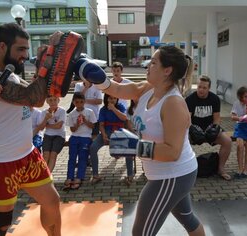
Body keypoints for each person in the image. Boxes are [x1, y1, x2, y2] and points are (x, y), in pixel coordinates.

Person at [74, 45, 205, 235]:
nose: (147, 66)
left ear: (167, 71)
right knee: (188, 219)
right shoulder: (147, 89)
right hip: (170, 173)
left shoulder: (173, 104)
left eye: (153, 63)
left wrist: (136, 147)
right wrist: (100, 80)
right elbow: (117, 88)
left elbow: (172, 152)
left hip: (172, 175)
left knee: (140, 233)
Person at [0, 23, 64, 236]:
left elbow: (36, 98)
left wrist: (47, 58)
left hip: (27, 155)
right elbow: (34, 97)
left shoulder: (10, 74)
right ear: (2, 46)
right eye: (20, 49)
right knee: (2, 223)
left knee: (52, 202)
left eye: (27, 50)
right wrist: (46, 60)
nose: (25, 55)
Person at [185, 75, 232, 181]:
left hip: (209, 130)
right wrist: (192, 129)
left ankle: (220, 169)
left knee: (227, 141)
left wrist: (215, 128)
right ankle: (185, 170)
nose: (201, 90)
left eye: (204, 88)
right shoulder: (190, 99)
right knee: (181, 141)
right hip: (194, 130)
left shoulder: (214, 99)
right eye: (199, 87)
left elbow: (216, 119)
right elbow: (187, 120)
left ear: (209, 88)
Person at [89, 93, 134, 185]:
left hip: (120, 133)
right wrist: (104, 135)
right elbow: (101, 125)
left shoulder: (120, 107)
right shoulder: (103, 110)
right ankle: (95, 175)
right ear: (106, 99)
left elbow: (124, 118)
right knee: (93, 148)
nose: (113, 100)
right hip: (107, 132)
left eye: (115, 98)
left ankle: (130, 175)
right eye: (110, 98)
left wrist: (113, 109)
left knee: (129, 149)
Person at [64, 92, 96, 190]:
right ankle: (70, 177)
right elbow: (72, 130)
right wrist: (77, 124)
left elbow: (93, 126)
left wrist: (85, 121)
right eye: (77, 102)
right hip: (75, 137)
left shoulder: (89, 112)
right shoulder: (71, 114)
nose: (79, 104)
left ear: (84, 102)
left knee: (83, 158)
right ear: (73, 102)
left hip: (86, 137)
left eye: (81, 102)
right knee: (72, 158)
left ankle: (79, 177)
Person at [38, 96, 66, 173]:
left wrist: (47, 125)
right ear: (47, 101)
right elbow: (41, 128)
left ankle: (48, 175)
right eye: (50, 100)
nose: (53, 102)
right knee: (46, 155)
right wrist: (46, 119)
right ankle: (43, 174)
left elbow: (59, 126)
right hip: (48, 135)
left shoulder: (62, 111)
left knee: (53, 154)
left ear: (58, 100)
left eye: (55, 100)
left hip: (59, 136)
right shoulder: (44, 112)